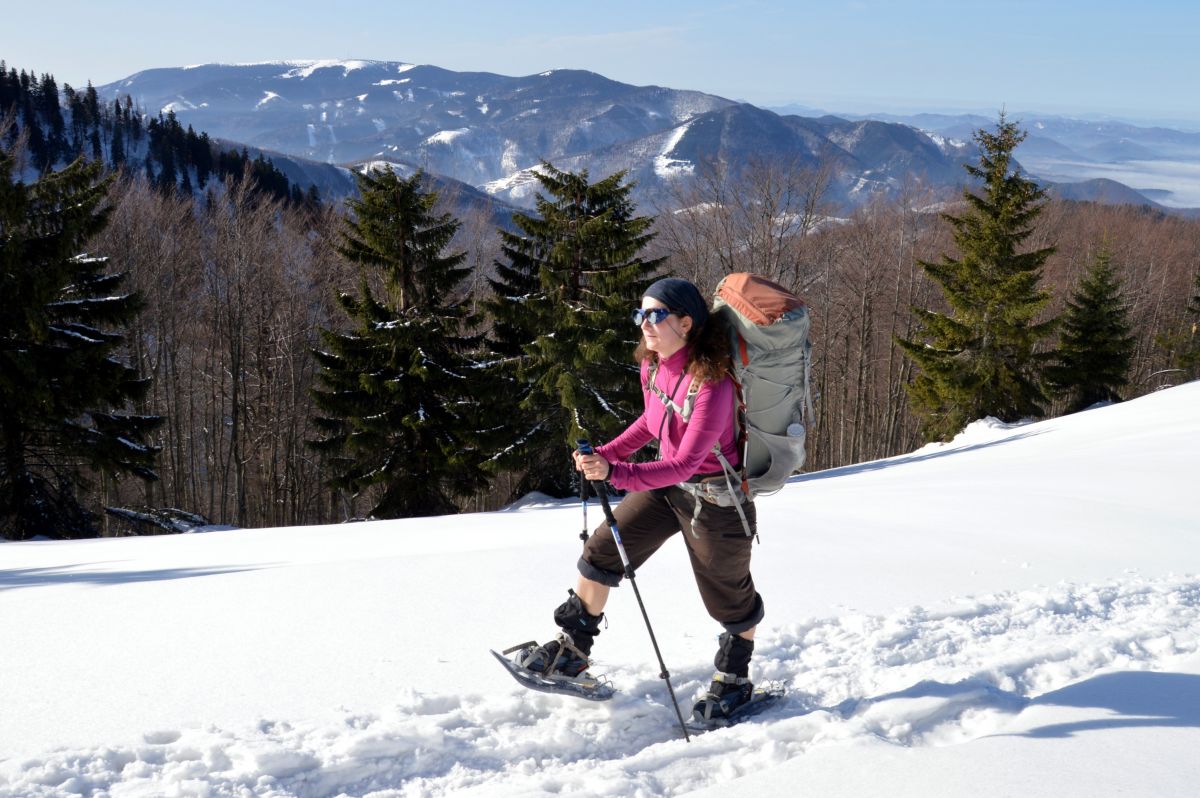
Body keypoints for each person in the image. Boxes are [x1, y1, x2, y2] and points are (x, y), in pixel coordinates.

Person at [515, 277, 765, 720]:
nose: (645, 323)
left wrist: (618, 473)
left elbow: (687, 463)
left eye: (656, 314)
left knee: (727, 597)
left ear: (686, 323)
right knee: (602, 549)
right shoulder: (652, 366)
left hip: (715, 500)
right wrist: (606, 454)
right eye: (641, 314)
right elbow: (651, 423)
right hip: (667, 488)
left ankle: (734, 679)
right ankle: (572, 652)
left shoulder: (713, 384)